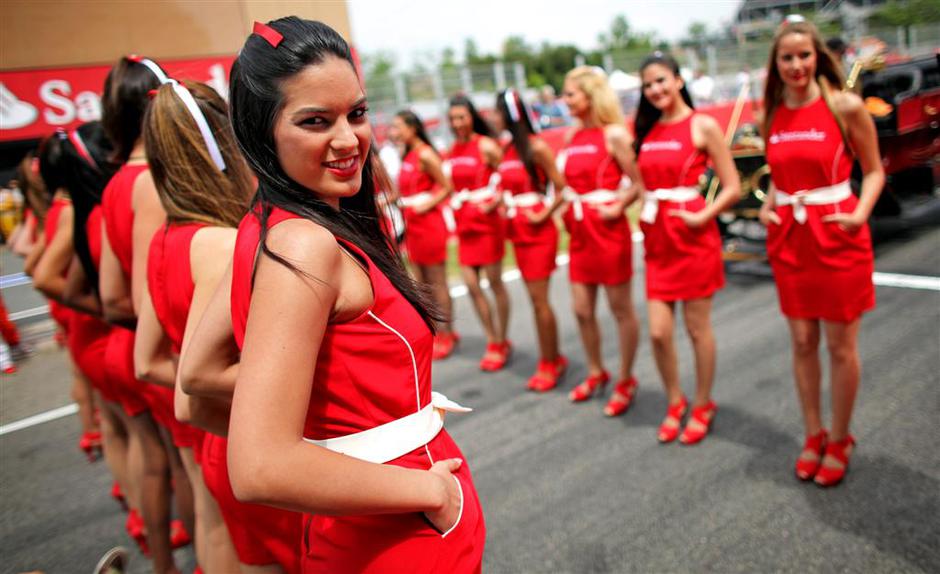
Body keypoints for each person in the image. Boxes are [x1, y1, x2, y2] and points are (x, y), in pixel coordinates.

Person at [223, 17, 485, 571]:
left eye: (357, 113)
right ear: (259, 131)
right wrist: (432, 494)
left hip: (365, 515)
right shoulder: (303, 246)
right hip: (394, 531)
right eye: (316, 121)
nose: (348, 140)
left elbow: (196, 376)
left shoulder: (262, 226)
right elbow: (258, 466)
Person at [758, 18, 884, 487]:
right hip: (791, 241)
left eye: (804, 55)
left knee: (838, 346)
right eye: (786, 58)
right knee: (803, 343)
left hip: (839, 236)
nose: (796, 65)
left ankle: (841, 437)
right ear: (775, 64)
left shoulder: (844, 106)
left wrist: (859, 214)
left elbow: (873, 172)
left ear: (818, 57)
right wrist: (770, 205)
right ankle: (814, 433)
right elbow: (779, 173)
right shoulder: (770, 112)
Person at [134, 80, 248, 573]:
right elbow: (189, 390)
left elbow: (148, 362)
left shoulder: (165, 239)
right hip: (240, 437)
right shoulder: (222, 245)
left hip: (216, 441)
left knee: (215, 531)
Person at [99, 55, 193, 571]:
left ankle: (162, 562)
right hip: (164, 353)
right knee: (190, 474)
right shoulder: (151, 182)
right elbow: (143, 297)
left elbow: (113, 297)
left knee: (158, 463)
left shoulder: (116, 182)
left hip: (127, 348)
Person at [634, 52, 741, 444]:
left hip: (693, 236)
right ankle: (675, 401)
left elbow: (732, 186)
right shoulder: (647, 129)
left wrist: (703, 215)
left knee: (697, 329)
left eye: (662, 80)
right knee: (660, 333)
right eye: (648, 85)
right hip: (658, 240)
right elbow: (643, 180)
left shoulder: (702, 125)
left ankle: (702, 402)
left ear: (679, 80)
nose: (655, 89)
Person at [559, 66, 642, 417]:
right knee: (581, 309)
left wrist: (617, 206)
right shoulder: (571, 137)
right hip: (580, 232)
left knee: (620, 309)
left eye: (570, 94)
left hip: (608, 232)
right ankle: (596, 371)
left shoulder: (614, 135)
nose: (565, 100)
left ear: (590, 95)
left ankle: (625, 378)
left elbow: (639, 184)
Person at [492, 88, 568, 391]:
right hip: (518, 230)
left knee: (539, 302)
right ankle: (551, 358)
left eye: (497, 112)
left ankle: (551, 361)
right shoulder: (508, 148)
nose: (493, 118)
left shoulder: (536, 147)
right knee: (535, 300)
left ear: (510, 114)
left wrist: (544, 214)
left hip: (537, 231)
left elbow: (561, 188)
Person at [447, 94, 512, 371]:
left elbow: (508, 177)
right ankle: (491, 338)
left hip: (487, 224)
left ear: (472, 116)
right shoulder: (452, 150)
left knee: (495, 282)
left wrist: (494, 202)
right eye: (452, 118)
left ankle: (501, 339)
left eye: (461, 117)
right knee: (472, 285)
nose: (457, 123)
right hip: (465, 224)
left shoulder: (486, 145)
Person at [388, 110, 460, 360]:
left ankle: (448, 332)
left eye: (398, 127)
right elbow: (404, 190)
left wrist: (427, 205)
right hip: (412, 224)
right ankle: (435, 329)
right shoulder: (406, 155)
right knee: (420, 280)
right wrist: (392, 200)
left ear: (413, 128)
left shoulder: (426, 154)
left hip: (428, 223)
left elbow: (447, 187)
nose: (394, 133)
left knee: (437, 280)